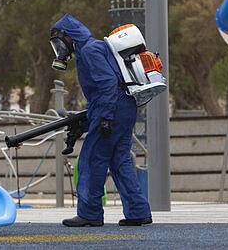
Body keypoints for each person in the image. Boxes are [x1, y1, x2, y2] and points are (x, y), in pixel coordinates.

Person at [49, 13, 152, 227]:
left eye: (59, 42)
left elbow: (106, 85)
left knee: (91, 160)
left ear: (69, 37)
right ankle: (138, 212)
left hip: (112, 108)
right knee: (120, 160)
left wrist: (105, 118)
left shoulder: (88, 50)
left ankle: (90, 213)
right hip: (124, 106)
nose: (59, 49)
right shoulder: (96, 47)